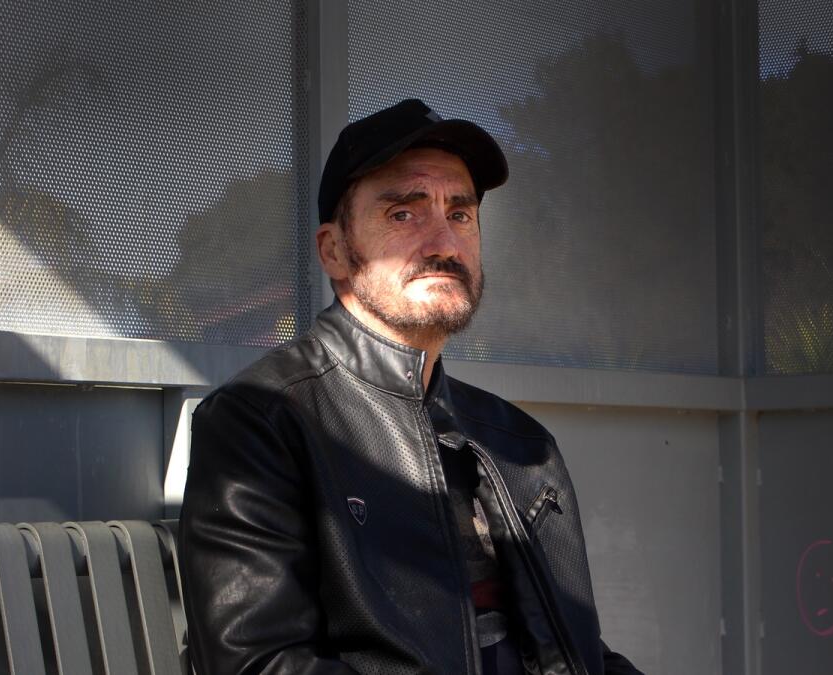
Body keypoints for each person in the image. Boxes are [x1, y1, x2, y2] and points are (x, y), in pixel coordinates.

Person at [179, 99, 642, 675]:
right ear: (334, 251)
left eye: (461, 214)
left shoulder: (520, 442)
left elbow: (577, 652)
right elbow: (259, 663)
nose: (443, 242)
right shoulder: (262, 420)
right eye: (404, 214)